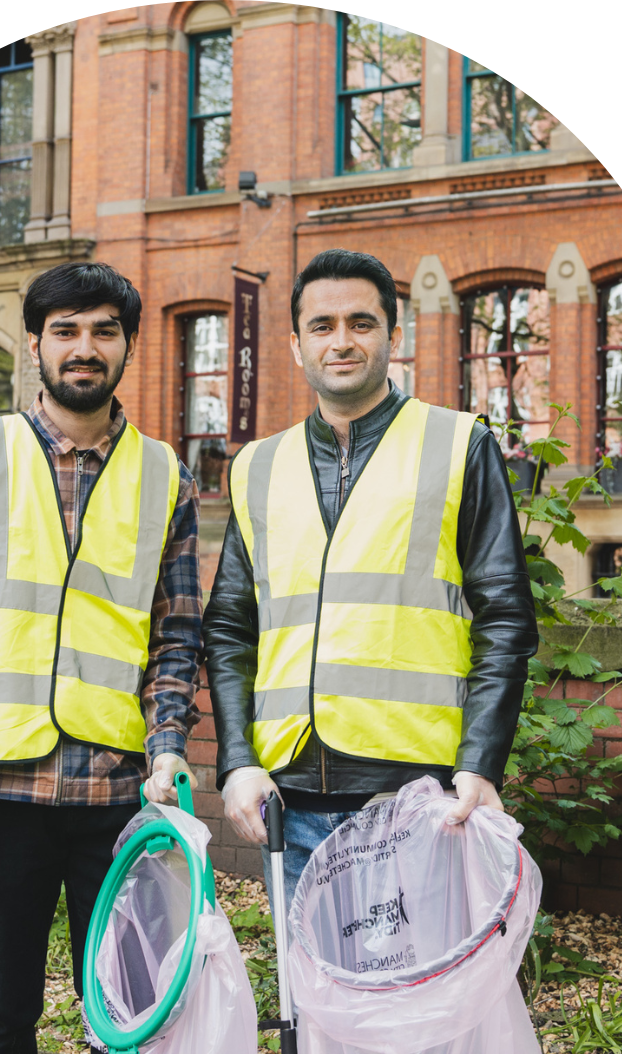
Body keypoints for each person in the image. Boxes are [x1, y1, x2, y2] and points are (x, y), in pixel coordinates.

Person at [0, 262, 203, 1054]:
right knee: (0, 1012)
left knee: (125, 1012)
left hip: (118, 795)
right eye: (64, 330)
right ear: (35, 345)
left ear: (128, 343)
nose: (84, 347)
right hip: (3, 793)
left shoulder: (166, 476)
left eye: (103, 329)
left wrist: (168, 743)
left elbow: (177, 635)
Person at [203, 248, 538, 912]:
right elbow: (231, 630)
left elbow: (505, 617)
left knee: (414, 1011)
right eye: (322, 326)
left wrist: (479, 762)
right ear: (297, 345)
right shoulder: (256, 468)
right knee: (316, 1006)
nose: (342, 341)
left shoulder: (458, 445)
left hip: (417, 800)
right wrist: (237, 760)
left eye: (361, 322)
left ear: (395, 336)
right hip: (289, 802)